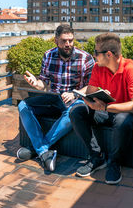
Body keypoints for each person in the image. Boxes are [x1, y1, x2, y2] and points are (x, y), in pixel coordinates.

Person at [70, 33, 133, 184]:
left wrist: (105, 107)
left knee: (121, 118)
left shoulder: (131, 68)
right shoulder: (99, 68)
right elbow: (91, 91)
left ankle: (114, 163)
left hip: (130, 115)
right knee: (76, 112)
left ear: (109, 54)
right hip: (107, 111)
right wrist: (88, 99)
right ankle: (96, 157)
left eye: (96, 52)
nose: (94, 55)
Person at [17, 24, 95, 172]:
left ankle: (39, 149)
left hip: (74, 100)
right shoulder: (48, 55)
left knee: (73, 112)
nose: (68, 44)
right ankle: (44, 152)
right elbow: (44, 85)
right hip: (53, 98)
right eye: (64, 41)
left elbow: (92, 86)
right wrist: (36, 84)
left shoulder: (85, 58)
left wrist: (75, 93)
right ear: (56, 41)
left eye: (71, 40)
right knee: (23, 106)